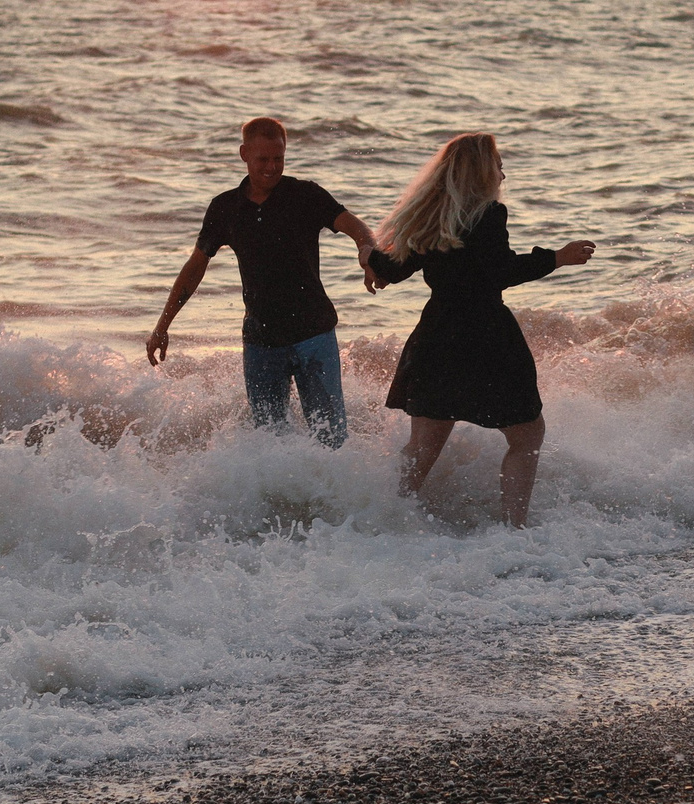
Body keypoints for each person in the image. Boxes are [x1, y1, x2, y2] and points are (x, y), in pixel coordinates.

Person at [366, 132, 595, 527]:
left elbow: (392, 270)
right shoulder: (488, 214)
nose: (503, 174)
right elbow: (500, 271)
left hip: (436, 337)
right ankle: (514, 528)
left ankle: (382, 520)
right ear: (482, 173)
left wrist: (369, 260)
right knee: (527, 435)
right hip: (485, 336)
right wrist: (557, 257)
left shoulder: (432, 217)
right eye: (499, 165)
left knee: (423, 446)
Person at [145, 116, 380, 446]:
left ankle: (332, 498)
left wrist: (368, 253)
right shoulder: (225, 208)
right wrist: (162, 325)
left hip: (314, 336)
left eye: (279, 158)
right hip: (261, 343)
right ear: (244, 154)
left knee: (332, 442)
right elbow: (194, 269)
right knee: (270, 444)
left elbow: (356, 227)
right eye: (263, 159)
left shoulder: (305, 195)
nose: (272, 167)